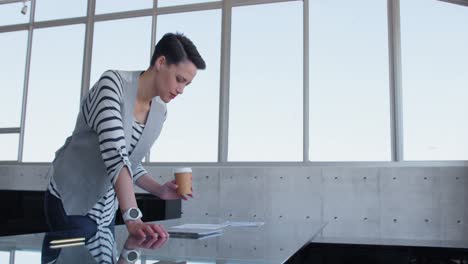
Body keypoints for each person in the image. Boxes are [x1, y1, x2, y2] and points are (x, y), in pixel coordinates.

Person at [43, 32, 206, 239]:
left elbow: (130, 161)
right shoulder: (112, 85)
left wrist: (160, 191)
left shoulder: (159, 110)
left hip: (106, 209)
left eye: (187, 84)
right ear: (161, 62)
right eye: (179, 79)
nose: (181, 90)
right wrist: (133, 218)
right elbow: (115, 153)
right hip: (71, 199)